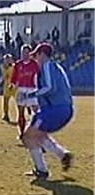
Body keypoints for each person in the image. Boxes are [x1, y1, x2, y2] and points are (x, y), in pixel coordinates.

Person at [21, 43, 74, 179]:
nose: (35, 60)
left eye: (36, 56)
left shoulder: (47, 66)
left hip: (56, 109)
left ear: (42, 55)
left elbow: (50, 88)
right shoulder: (56, 67)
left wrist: (30, 95)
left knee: (28, 136)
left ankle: (42, 170)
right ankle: (63, 155)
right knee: (38, 134)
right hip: (62, 109)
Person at [11, 44, 40, 139]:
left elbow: (39, 76)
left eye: (27, 52)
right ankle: (22, 133)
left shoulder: (34, 64)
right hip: (21, 89)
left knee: (37, 112)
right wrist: (12, 85)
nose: (25, 54)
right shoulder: (18, 64)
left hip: (32, 89)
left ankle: (37, 133)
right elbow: (14, 78)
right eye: (23, 52)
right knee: (20, 113)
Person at [0, 54, 17, 122]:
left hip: (14, 86)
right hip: (6, 85)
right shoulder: (2, 66)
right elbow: (3, 76)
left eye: (9, 59)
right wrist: (0, 81)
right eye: (6, 59)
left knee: (18, 101)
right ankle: (6, 115)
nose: (8, 60)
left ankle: (21, 115)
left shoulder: (14, 67)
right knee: (5, 101)